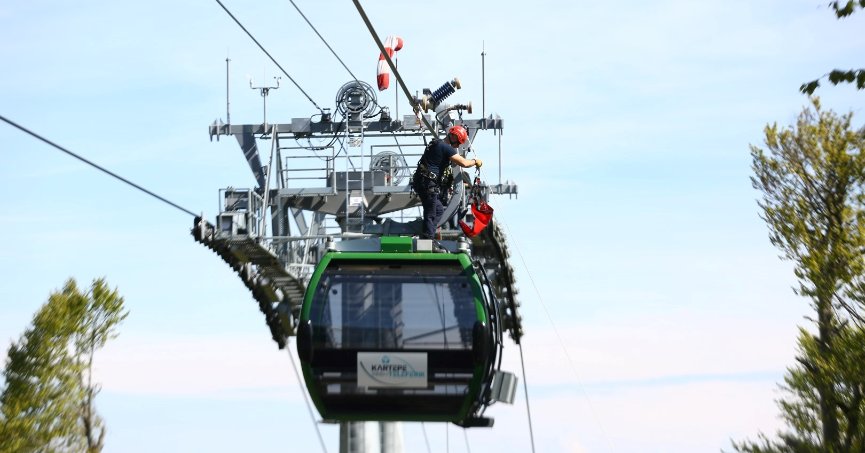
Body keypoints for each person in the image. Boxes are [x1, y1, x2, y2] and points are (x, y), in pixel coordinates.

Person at [413, 125, 483, 240]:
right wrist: (475, 161)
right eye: (459, 142)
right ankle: (427, 239)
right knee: (431, 213)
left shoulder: (437, 144)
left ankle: (428, 233)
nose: (458, 146)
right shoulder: (446, 147)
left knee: (439, 210)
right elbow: (464, 163)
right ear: (454, 137)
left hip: (424, 182)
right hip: (428, 183)